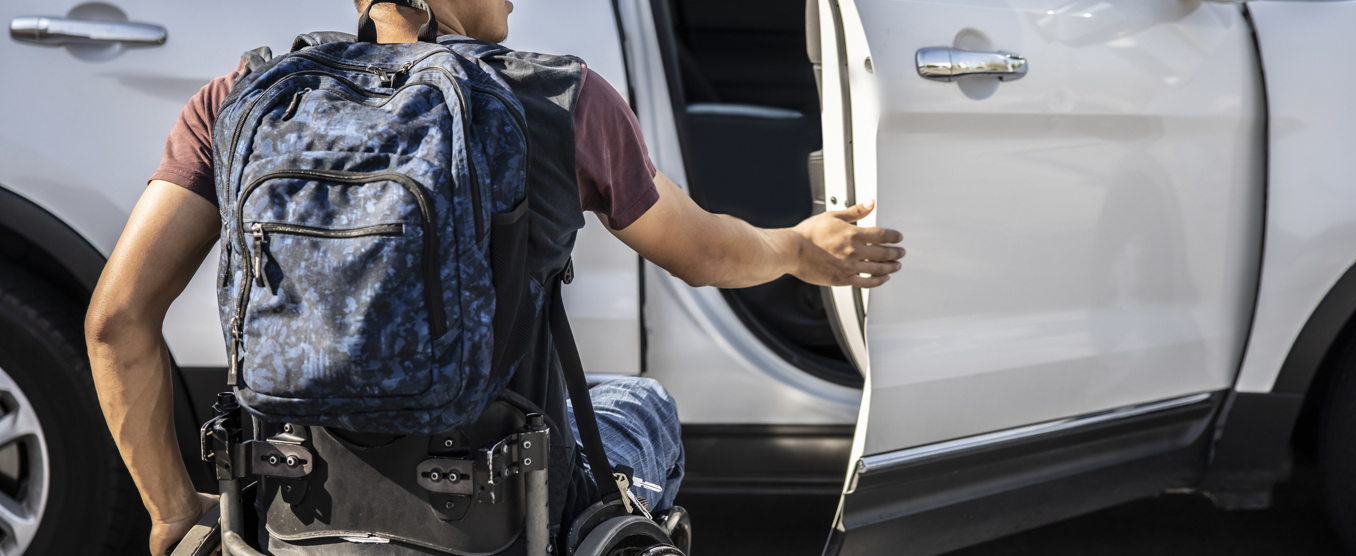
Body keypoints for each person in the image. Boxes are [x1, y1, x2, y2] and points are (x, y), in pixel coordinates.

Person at [83, 0, 906, 553]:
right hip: (501, 504)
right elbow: (706, 255)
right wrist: (799, 247)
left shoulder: (238, 101)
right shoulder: (560, 98)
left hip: (291, 497)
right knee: (642, 404)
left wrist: (173, 516)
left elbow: (116, 322)